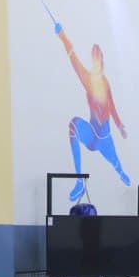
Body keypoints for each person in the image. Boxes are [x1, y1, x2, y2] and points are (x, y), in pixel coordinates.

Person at [54, 20, 129, 200]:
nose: (96, 61)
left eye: (99, 57)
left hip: (104, 138)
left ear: (102, 61)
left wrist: (120, 126)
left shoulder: (105, 82)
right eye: (93, 57)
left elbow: (112, 106)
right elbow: (73, 58)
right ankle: (79, 182)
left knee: (116, 163)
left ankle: (122, 172)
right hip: (91, 133)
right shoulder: (87, 78)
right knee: (73, 125)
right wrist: (62, 35)